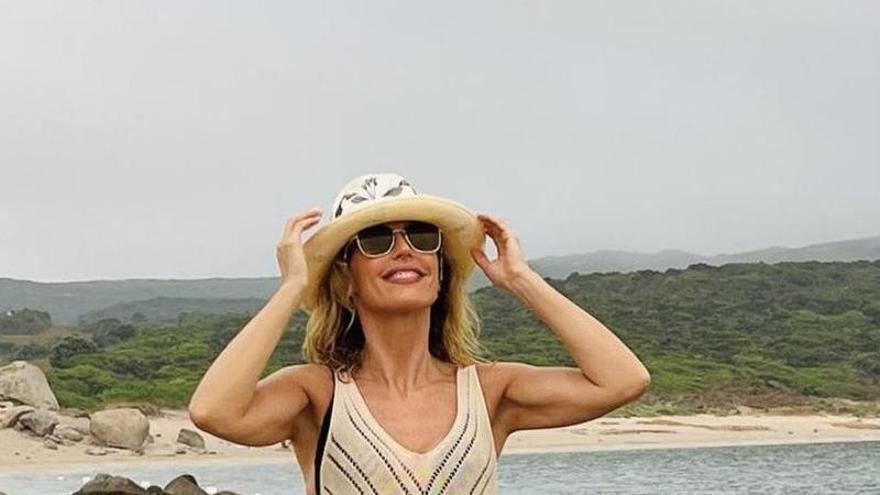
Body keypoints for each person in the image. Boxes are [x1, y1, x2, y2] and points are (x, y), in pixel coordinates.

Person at [188, 172, 651, 494]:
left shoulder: (490, 391)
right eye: (376, 240)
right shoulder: (316, 394)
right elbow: (213, 412)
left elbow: (624, 381)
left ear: (440, 270)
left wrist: (521, 280)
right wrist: (294, 286)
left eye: (421, 237)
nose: (404, 249)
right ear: (346, 280)